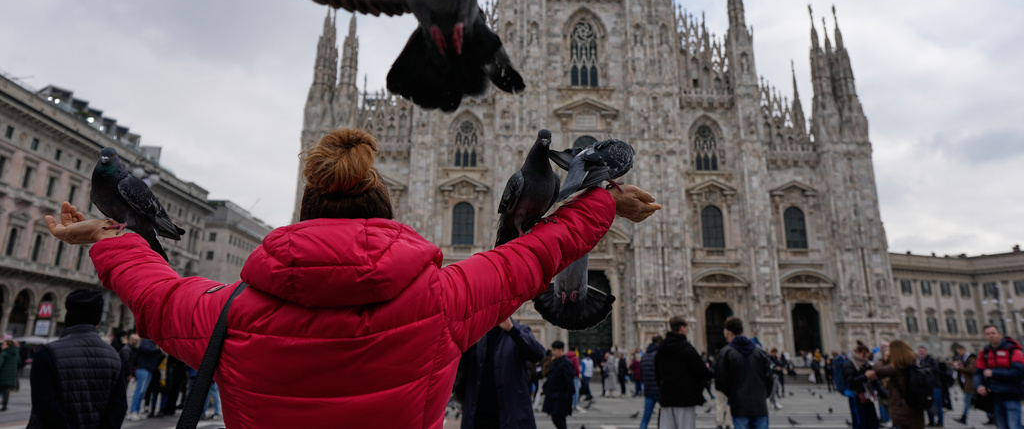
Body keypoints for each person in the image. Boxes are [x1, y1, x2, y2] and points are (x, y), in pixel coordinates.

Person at [45, 127, 660, 428]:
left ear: (307, 209)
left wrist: (105, 234)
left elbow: (152, 290)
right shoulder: (441, 302)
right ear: (384, 210)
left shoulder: (227, 313)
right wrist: (604, 202)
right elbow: (538, 255)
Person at [27, 288, 127, 428]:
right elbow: (118, 407)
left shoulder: (47, 353)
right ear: (97, 321)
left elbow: (45, 407)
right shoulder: (114, 358)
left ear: (68, 317)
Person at [460, 317, 545, 429]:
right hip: (477, 417)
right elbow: (456, 365)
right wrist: (468, 344)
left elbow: (538, 354)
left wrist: (512, 330)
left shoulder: (519, 330)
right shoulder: (476, 331)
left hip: (512, 416)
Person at [714, 317, 772, 429]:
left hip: (739, 407)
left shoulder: (726, 353)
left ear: (729, 332)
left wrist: (733, 395)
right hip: (760, 406)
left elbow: (720, 381)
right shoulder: (759, 351)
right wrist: (762, 395)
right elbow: (769, 378)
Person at [655, 316, 712, 429]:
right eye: (686, 328)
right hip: (685, 400)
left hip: (667, 400)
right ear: (682, 328)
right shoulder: (687, 349)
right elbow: (703, 373)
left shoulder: (661, 349)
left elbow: (657, 374)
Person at [973, 323, 1024, 429]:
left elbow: (1018, 373)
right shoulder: (985, 353)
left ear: (1000, 334)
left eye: (993, 333)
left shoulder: (1013, 350)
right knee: (1001, 426)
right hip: (994, 396)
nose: (991, 336)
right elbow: (978, 373)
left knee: (1014, 426)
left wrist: (994, 373)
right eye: (987, 334)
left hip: (1011, 395)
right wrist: (979, 385)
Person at [867, 340, 925, 429]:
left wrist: (883, 359)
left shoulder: (897, 366)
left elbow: (878, 370)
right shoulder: (912, 363)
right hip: (915, 409)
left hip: (901, 410)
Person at [843, 341, 880, 429]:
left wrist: (873, 377)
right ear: (857, 352)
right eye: (863, 355)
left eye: (866, 355)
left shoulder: (866, 363)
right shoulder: (849, 364)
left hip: (867, 396)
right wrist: (866, 376)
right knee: (860, 421)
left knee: (872, 421)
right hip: (856, 397)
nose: (865, 357)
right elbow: (851, 380)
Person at [542, 341, 575, 429]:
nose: (553, 352)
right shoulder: (555, 362)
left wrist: (567, 395)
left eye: (555, 350)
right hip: (554, 396)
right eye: (553, 350)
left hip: (561, 397)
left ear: (561, 350)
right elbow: (551, 377)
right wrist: (545, 387)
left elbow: (569, 382)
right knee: (558, 419)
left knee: (557, 418)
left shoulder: (565, 363)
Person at [127, 337, 160, 421]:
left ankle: (137, 411)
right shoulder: (146, 341)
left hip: (148, 369)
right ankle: (132, 411)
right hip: (143, 368)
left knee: (142, 391)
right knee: (139, 391)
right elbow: (147, 350)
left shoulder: (151, 343)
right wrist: (159, 349)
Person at [950, 343, 976, 425]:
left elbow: (971, 370)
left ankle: (964, 418)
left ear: (963, 350)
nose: (959, 354)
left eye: (959, 352)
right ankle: (990, 416)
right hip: (968, 384)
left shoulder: (971, 358)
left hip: (971, 385)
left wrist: (959, 368)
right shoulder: (965, 359)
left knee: (967, 401)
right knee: (971, 401)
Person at [917, 345, 942, 427]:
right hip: (926, 387)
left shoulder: (931, 360)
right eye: (920, 351)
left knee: (937, 404)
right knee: (928, 404)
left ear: (926, 352)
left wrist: (924, 369)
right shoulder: (920, 361)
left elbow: (935, 370)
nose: (921, 352)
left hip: (935, 386)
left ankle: (940, 422)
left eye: (923, 351)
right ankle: (931, 421)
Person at [640, 335, 662, 429]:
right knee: (665, 415)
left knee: (646, 417)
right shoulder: (660, 355)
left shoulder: (644, 356)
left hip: (648, 390)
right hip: (660, 390)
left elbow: (642, 374)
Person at [0, 336, 18, 412]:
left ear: (7, 345)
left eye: (3, 344)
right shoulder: (16, 353)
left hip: (2, 374)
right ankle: (4, 404)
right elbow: (19, 362)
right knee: (6, 390)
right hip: (11, 375)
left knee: (3, 390)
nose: (2, 346)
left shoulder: (4, 353)